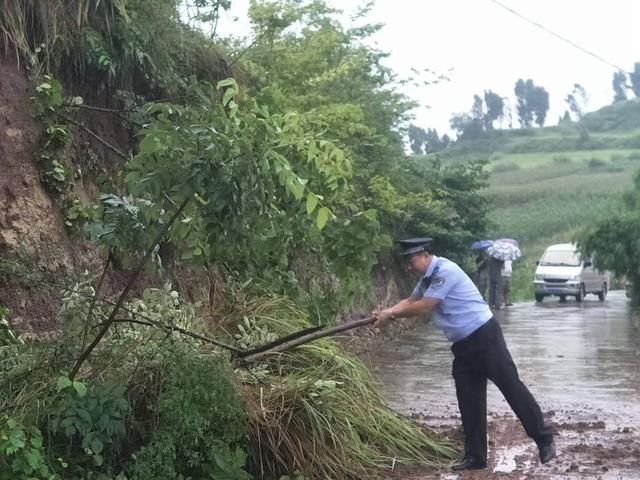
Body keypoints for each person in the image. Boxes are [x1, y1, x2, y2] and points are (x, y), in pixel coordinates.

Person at [372, 238, 555, 471]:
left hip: (485, 337)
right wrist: (386, 312)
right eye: (407, 263)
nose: (409, 267)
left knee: (511, 387)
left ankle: (544, 439)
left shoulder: (445, 271)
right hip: (463, 345)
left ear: (425, 254)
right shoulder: (426, 279)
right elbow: (410, 300)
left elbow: (425, 306)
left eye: (411, 261)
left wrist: (392, 316)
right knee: (468, 399)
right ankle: (476, 457)